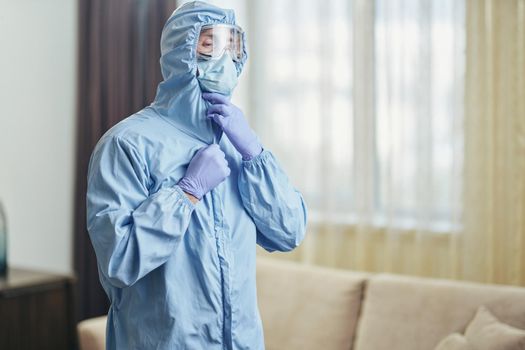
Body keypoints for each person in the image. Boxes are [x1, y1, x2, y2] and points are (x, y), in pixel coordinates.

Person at [86, 1, 307, 349]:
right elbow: (120, 261)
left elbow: (289, 232)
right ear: (180, 54)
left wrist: (255, 155)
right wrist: (186, 193)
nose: (226, 60)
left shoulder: (238, 145)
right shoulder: (126, 145)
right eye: (210, 45)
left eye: (233, 48)